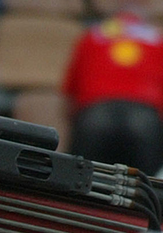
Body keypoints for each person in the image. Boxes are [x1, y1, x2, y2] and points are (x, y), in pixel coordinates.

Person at [65, 9, 163, 176]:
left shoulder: (91, 36)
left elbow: (70, 88)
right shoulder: (158, 40)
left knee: (85, 179)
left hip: (95, 115)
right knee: (145, 188)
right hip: (144, 118)